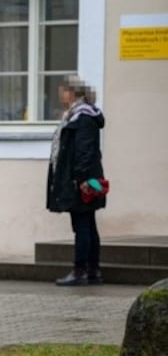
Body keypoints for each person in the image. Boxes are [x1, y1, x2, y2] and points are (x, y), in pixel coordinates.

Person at [47, 76, 106, 286]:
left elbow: (85, 151)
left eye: (62, 91)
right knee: (87, 224)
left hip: (81, 181)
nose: (60, 96)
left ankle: (81, 271)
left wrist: (80, 179)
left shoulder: (82, 117)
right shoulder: (77, 115)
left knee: (82, 225)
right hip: (82, 178)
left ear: (72, 93)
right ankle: (92, 270)